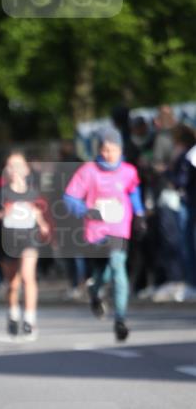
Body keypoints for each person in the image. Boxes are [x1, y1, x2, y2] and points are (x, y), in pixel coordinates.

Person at [64, 126, 145, 342]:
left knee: (118, 266)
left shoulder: (128, 171)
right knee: (104, 273)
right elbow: (69, 198)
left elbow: (134, 191)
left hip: (119, 227)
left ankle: (120, 319)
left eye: (113, 149)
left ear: (121, 149)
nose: (109, 154)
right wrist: (86, 211)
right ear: (99, 149)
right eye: (105, 149)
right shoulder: (88, 171)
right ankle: (95, 290)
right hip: (96, 230)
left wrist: (140, 214)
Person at [0, 152, 49, 340]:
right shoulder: (2, 192)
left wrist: (43, 224)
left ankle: (30, 320)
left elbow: (37, 211)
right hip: (8, 240)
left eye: (19, 165)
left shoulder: (33, 192)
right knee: (12, 283)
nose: (15, 170)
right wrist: (1, 214)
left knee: (28, 278)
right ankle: (13, 312)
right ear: (7, 170)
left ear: (26, 170)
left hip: (29, 239)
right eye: (11, 166)